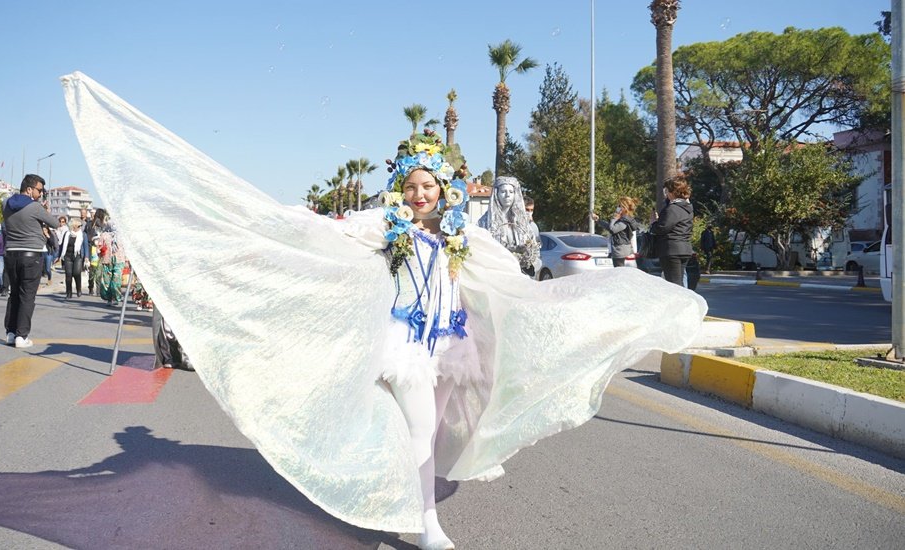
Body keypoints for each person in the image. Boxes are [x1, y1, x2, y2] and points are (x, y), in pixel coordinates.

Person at [62, 72, 707, 549]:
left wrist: (554, 296)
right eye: (412, 186)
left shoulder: (463, 232)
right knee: (389, 423)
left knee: (424, 430)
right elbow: (330, 233)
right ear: (402, 189)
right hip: (391, 341)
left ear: (444, 189)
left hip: (445, 344)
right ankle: (407, 510)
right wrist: (279, 219)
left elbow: (507, 276)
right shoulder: (386, 223)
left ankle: (419, 513)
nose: (420, 194)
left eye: (429, 185)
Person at [2, 174, 59, 348]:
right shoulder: (35, 207)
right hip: (31, 255)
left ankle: (11, 333)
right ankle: (22, 336)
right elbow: (55, 223)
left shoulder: (5, 204)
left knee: (14, 295)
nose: (41, 193)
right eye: (39, 190)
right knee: (27, 296)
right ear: (29, 189)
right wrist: (44, 211)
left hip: (11, 254)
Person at [477, 175, 540, 276]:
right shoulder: (484, 222)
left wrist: (527, 255)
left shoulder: (523, 222)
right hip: (496, 273)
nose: (507, 195)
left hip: (520, 274)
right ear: (497, 194)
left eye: (511, 192)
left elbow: (533, 246)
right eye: (503, 191)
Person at [650, 175, 695, 287]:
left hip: (671, 250)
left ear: (672, 192)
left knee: (674, 285)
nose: (666, 193)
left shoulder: (672, 209)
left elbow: (662, 228)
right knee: (679, 282)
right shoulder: (688, 208)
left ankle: (680, 304)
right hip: (684, 248)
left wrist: (653, 222)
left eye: (667, 190)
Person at [593, 196, 643, 267]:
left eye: (619, 206)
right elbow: (610, 227)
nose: (617, 208)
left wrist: (615, 217)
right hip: (620, 249)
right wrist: (598, 220)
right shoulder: (622, 219)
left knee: (619, 272)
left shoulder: (625, 221)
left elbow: (612, 229)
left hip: (620, 250)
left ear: (623, 207)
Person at [58, 217, 89, 299]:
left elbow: (86, 246)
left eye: (80, 226)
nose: (79, 228)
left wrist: (86, 256)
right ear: (73, 226)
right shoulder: (67, 234)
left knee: (76, 273)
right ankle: (69, 293)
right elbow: (61, 246)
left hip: (78, 256)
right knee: (68, 275)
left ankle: (79, 289)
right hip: (67, 256)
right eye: (78, 226)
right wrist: (58, 256)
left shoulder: (83, 235)